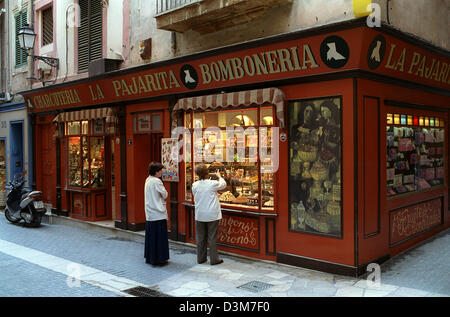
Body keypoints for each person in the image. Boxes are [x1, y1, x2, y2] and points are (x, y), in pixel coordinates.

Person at [192, 164, 227, 265]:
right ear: (207, 173)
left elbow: (195, 194)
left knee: (200, 238)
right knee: (212, 238)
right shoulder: (212, 183)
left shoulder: (195, 185)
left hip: (200, 214)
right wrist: (219, 176)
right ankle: (214, 259)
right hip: (212, 214)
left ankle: (201, 258)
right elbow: (223, 185)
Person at [144, 162, 169, 266]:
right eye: (160, 171)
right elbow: (165, 194)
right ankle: (160, 259)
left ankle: (151, 257)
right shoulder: (157, 181)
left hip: (150, 212)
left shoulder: (148, 180)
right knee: (159, 237)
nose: (161, 173)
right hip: (158, 212)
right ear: (156, 172)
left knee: (152, 237)